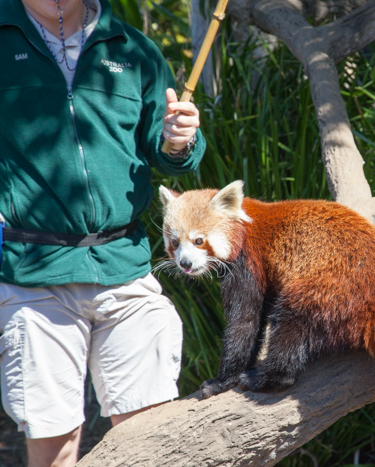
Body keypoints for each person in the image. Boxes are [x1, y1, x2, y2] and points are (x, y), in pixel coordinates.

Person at [0, 0, 206, 465]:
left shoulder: (134, 49)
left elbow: (170, 150)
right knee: (56, 446)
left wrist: (179, 138)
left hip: (126, 270)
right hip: (34, 276)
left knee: (149, 443)